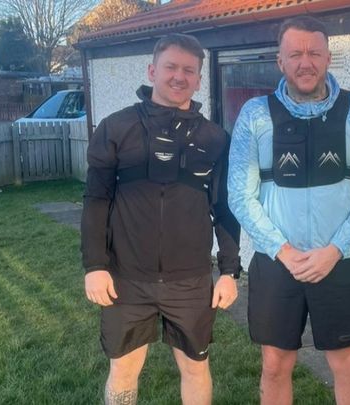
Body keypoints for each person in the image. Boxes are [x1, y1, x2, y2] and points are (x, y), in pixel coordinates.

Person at [228, 15, 350, 405]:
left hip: (339, 261)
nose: (306, 62)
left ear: (328, 57)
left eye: (314, 53)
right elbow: (240, 194)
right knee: (275, 365)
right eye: (295, 54)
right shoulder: (255, 114)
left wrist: (334, 250)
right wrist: (282, 251)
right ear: (279, 61)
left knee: (348, 366)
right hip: (277, 262)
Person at [81, 33, 241, 405]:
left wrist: (230, 272)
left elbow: (225, 208)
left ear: (199, 79)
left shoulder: (215, 139)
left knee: (196, 368)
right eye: (171, 67)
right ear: (152, 71)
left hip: (190, 281)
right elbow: (96, 200)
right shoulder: (116, 128)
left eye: (189, 70)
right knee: (123, 369)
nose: (178, 76)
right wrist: (95, 266)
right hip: (126, 277)